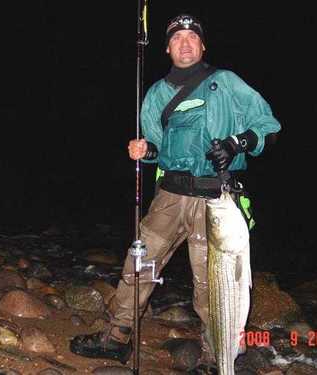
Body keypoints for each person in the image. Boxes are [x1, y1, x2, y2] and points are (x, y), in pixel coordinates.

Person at [70, 13, 281, 365]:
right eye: (177, 38)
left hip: (217, 199)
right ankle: (116, 335)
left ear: (202, 45)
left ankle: (218, 355)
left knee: (212, 281)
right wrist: (145, 150)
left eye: (192, 37)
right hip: (169, 196)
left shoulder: (227, 82)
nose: (185, 43)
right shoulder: (155, 94)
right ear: (167, 48)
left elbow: (269, 127)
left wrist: (235, 142)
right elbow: (158, 149)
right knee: (139, 263)